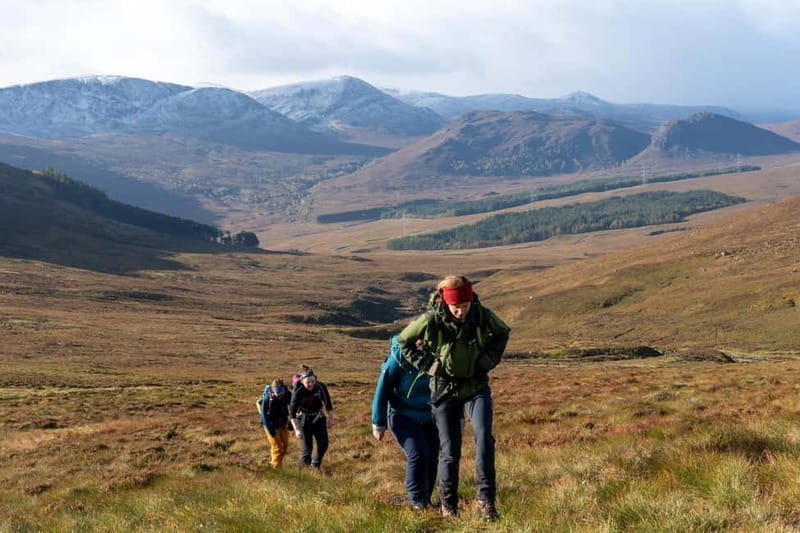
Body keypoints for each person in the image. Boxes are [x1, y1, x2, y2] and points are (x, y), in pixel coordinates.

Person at [397, 275, 510, 522]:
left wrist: (488, 360)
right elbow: (403, 341)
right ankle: (449, 505)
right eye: (455, 307)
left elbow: (503, 332)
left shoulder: (481, 315)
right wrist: (429, 366)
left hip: (475, 386)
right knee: (449, 450)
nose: (460, 312)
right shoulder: (431, 320)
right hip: (444, 390)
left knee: (484, 438)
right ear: (445, 302)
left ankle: (486, 502)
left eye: (465, 306)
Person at [371, 335, 439, 511]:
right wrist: (378, 423)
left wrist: (457, 417)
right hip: (401, 415)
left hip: (430, 415)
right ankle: (416, 500)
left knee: (432, 456)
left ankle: (426, 498)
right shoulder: (398, 358)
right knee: (418, 453)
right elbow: (382, 388)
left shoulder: (436, 355)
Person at [289, 365, 335, 469]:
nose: (310, 384)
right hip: (304, 421)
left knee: (323, 444)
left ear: (315, 379)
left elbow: (328, 403)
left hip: (318, 418)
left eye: (312, 381)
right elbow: (292, 413)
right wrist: (297, 430)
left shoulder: (320, 387)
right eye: (307, 382)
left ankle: (315, 465)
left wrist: (331, 418)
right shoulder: (298, 391)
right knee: (307, 449)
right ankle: (305, 472)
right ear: (302, 382)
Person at [257, 378, 291, 469]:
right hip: (270, 424)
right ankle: (276, 469)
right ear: (273, 390)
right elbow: (264, 417)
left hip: (282, 423)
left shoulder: (287, 394)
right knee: (278, 447)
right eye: (278, 393)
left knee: (285, 446)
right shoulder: (267, 398)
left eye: (281, 393)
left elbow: (292, 405)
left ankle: (273, 462)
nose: (280, 395)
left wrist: (292, 420)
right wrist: (272, 432)